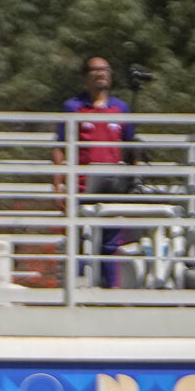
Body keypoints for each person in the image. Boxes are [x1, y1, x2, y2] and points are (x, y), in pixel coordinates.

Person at [59, 54, 138, 287]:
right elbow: (59, 145)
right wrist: (58, 184)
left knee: (111, 242)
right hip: (80, 186)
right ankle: (76, 290)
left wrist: (132, 178)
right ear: (86, 77)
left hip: (113, 186)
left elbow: (131, 146)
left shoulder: (121, 108)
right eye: (95, 70)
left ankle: (109, 291)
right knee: (79, 240)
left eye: (106, 70)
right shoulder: (73, 107)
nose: (101, 73)